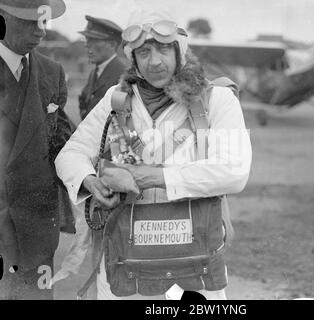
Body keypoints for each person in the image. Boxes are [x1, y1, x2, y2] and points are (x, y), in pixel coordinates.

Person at [55, 7, 252, 300]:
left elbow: (234, 171)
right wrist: (90, 180)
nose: (155, 61)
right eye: (144, 52)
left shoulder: (217, 100)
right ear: (132, 58)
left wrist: (155, 177)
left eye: (162, 49)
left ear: (179, 51)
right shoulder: (116, 99)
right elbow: (70, 154)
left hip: (192, 264)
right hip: (125, 264)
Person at [0, 0, 72, 299]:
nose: (40, 31)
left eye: (43, 22)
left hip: (36, 229)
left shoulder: (51, 71)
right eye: (29, 21)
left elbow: (64, 143)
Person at [78, 15, 126, 120]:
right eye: (86, 39)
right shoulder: (95, 72)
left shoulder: (123, 75)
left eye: (93, 40)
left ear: (112, 45)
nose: (87, 45)